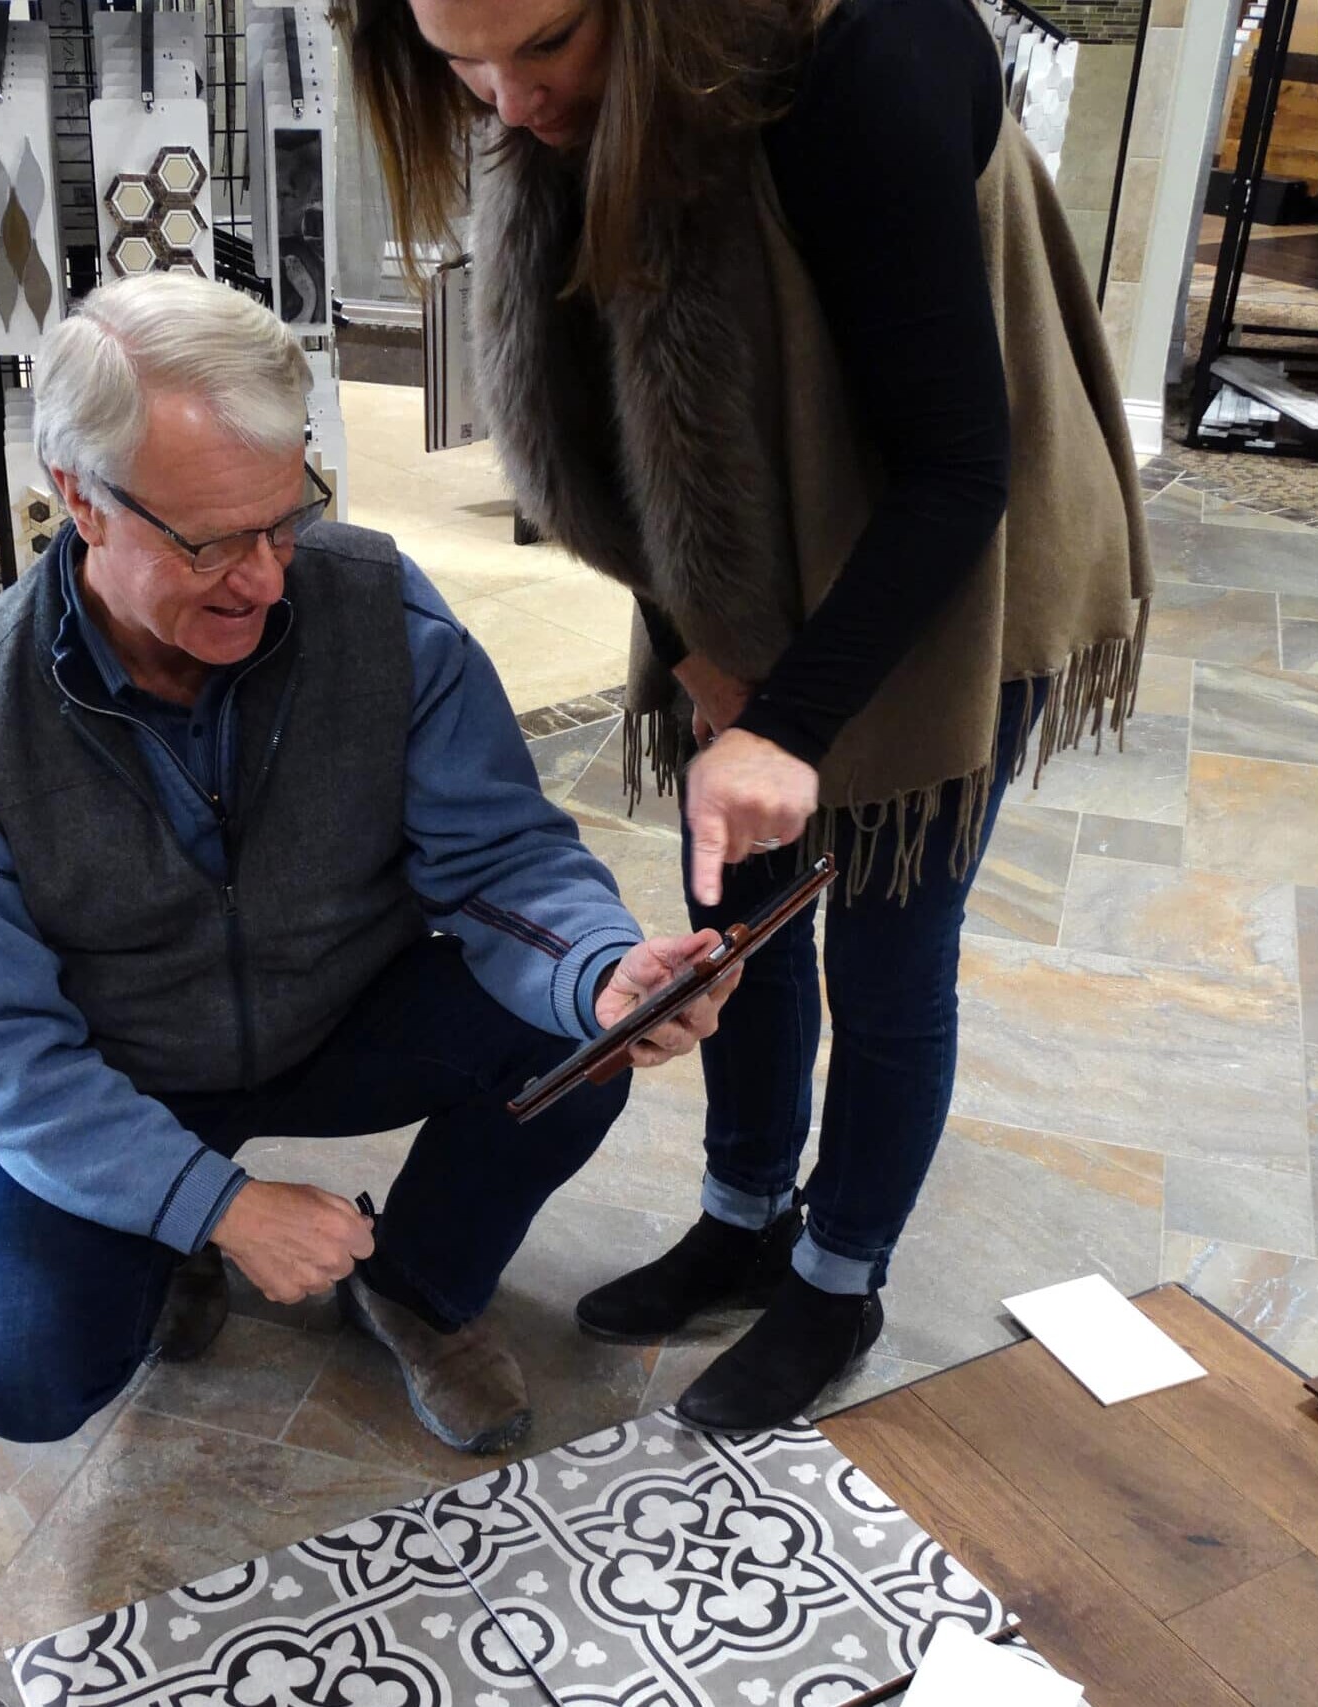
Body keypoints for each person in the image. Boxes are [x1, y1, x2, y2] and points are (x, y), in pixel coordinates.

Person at [337, 0, 1153, 1430]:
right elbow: (597, 427)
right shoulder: (556, 105)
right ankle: (740, 1216)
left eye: (540, 47)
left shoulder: (872, 56)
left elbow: (958, 469)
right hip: (757, 556)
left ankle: (836, 1282)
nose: (505, 102)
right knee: (739, 927)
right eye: (460, 61)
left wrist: (788, 723)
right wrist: (698, 647)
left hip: (949, 561)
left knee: (890, 953)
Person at [0, 273, 737, 1456]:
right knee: (25, 1375)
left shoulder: (375, 609)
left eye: (286, 519)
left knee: (573, 1038)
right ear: (79, 498)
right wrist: (214, 1205)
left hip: (346, 1012)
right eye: (212, 540)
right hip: (129, 1071)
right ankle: (174, 1238)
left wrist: (599, 969)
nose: (268, 579)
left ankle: (416, 1284)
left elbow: (500, 854)